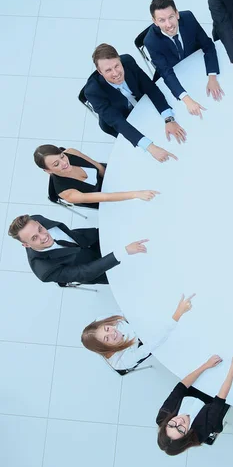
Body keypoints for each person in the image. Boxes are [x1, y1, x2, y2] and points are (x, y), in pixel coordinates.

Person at [84, 43, 182, 163]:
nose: (115, 73)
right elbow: (118, 122)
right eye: (108, 70)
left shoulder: (128, 61)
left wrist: (168, 118)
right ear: (99, 72)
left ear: (120, 60)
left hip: (141, 104)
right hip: (120, 118)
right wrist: (151, 147)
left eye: (117, 66)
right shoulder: (93, 91)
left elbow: (150, 89)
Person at [7, 214, 148, 285]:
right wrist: (123, 252)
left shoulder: (36, 220)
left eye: (40, 229)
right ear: (26, 245)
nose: (44, 236)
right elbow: (85, 272)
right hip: (94, 268)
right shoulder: (45, 271)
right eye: (34, 238)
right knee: (138, 276)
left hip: (86, 241)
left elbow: (68, 233)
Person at [144, 0, 224, 117]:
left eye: (171, 17)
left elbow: (208, 45)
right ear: (154, 21)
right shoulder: (151, 41)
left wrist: (212, 76)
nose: (169, 24)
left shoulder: (188, 18)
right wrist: (187, 100)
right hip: (173, 71)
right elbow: (166, 72)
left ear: (177, 14)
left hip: (195, 63)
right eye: (161, 20)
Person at [156, 346, 233, 455]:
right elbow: (220, 400)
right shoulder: (200, 432)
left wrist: (206, 365)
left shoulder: (163, 416)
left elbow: (181, 387)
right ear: (187, 434)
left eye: (172, 425)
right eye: (181, 429)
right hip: (212, 404)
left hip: (194, 391)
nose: (179, 421)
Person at [81, 293, 195, 374]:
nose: (112, 333)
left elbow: (128, 313)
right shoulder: (124, 361)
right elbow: (154, 343)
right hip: (139, 345)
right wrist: (178, 313)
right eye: (106, 339)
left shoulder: (102, 320)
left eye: (107, 329)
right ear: (106, 348)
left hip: (135, 327)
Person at [33, 144, 159, 209]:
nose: (64, 162)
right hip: (107, 202)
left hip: (110, 179)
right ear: (48, 171)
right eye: (56, 164)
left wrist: (120, 180)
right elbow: (105, 197)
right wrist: (135, 194)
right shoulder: (66, 193)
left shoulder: (70, 152)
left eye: (62, 156)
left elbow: (98, 167)